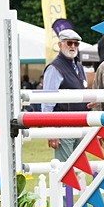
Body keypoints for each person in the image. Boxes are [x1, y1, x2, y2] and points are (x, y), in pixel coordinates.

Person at [41, 28, 89, 162]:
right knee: (66, 169)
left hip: (80, 124)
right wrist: (51, 131)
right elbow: (47, 102)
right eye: (69, 43)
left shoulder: (79, 66)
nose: (73, 46)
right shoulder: (54, 68)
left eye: (76, 44)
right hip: (63, 126)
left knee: (79, 167)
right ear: (60, 44)